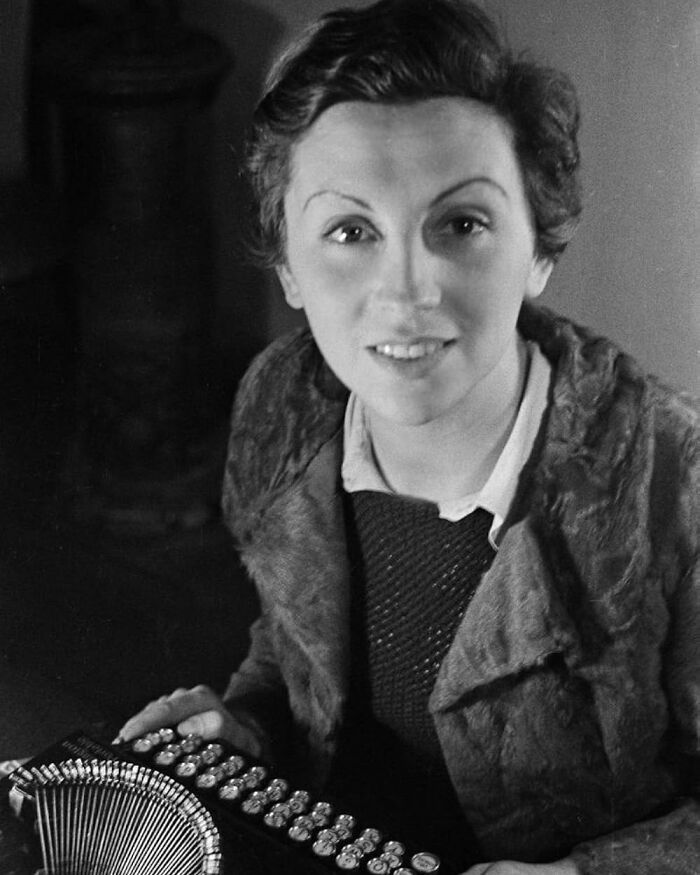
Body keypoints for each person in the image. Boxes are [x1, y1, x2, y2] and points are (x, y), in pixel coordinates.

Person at [118, 1, 700, 872]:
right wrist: (245, 727)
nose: (406, 289)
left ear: (539, 247)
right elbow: (294, 653)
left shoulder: (672, 479)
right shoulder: (285, 408)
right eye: (351, 231)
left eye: (460, 224)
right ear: (289, 266)